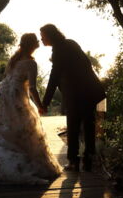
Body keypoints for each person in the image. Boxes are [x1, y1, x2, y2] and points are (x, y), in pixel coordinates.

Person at [0, 33, 62, 184]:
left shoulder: (14, 59)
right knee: (22, 127)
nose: (39, 42)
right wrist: (41, 105)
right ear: (32, 45)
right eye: (36, 40)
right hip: (15, 96)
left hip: (2, 94)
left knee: (2, 127)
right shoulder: (31, 63)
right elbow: (33, 88)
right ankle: (21, 161)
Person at [40, 24, 106, 172]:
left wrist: (45, 102)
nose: (41, 39)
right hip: (90, 90)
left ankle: (73, 161)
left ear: (50, 36)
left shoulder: (58, 50)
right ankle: (89, 159)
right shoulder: (71, 43)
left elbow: (54, 77)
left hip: (76, 93)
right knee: (89, 124)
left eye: (43, 36)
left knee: (74, 126)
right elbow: (86, 64)